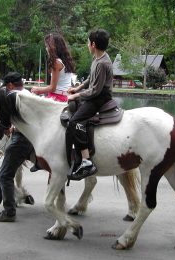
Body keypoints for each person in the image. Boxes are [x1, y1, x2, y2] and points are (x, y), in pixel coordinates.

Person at [0, 72, 34, 222]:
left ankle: (9, 212)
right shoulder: (26, 93)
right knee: (4, 171)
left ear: (10, 85)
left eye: (5, 86)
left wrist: (13, 129)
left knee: (5, 175)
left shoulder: (15, 96)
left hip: (21, 140)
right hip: (26, 138)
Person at [66, 29, 114, 181]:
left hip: (99, 98)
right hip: (94, 94)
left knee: (75, 121)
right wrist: (78, 87)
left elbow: (94, 90)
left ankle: (87, 161)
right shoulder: (98, 58)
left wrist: (77, 95)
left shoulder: (102, 63)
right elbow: (89, 80)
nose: (87, 44)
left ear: (93, 44)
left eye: (88, 42)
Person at [31, 32, 75, 102]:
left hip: (57, 97)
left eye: (47, 46)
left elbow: (52, 88)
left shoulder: (56, 62)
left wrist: (38, 90)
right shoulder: (65, 61)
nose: (46, 49)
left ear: (53, 47)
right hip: (64, 96)